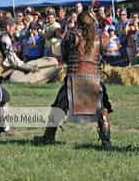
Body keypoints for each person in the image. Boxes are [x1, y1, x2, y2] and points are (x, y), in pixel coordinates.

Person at [34, 11, 112, 147]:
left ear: (79, 22)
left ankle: (48, 137)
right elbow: (103, 54)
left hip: (75, 77)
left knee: (58, 107)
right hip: (95, 78)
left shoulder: (71, 36)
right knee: (102, 108)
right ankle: (106, 141)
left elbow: (64, 55)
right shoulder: (99, 38)